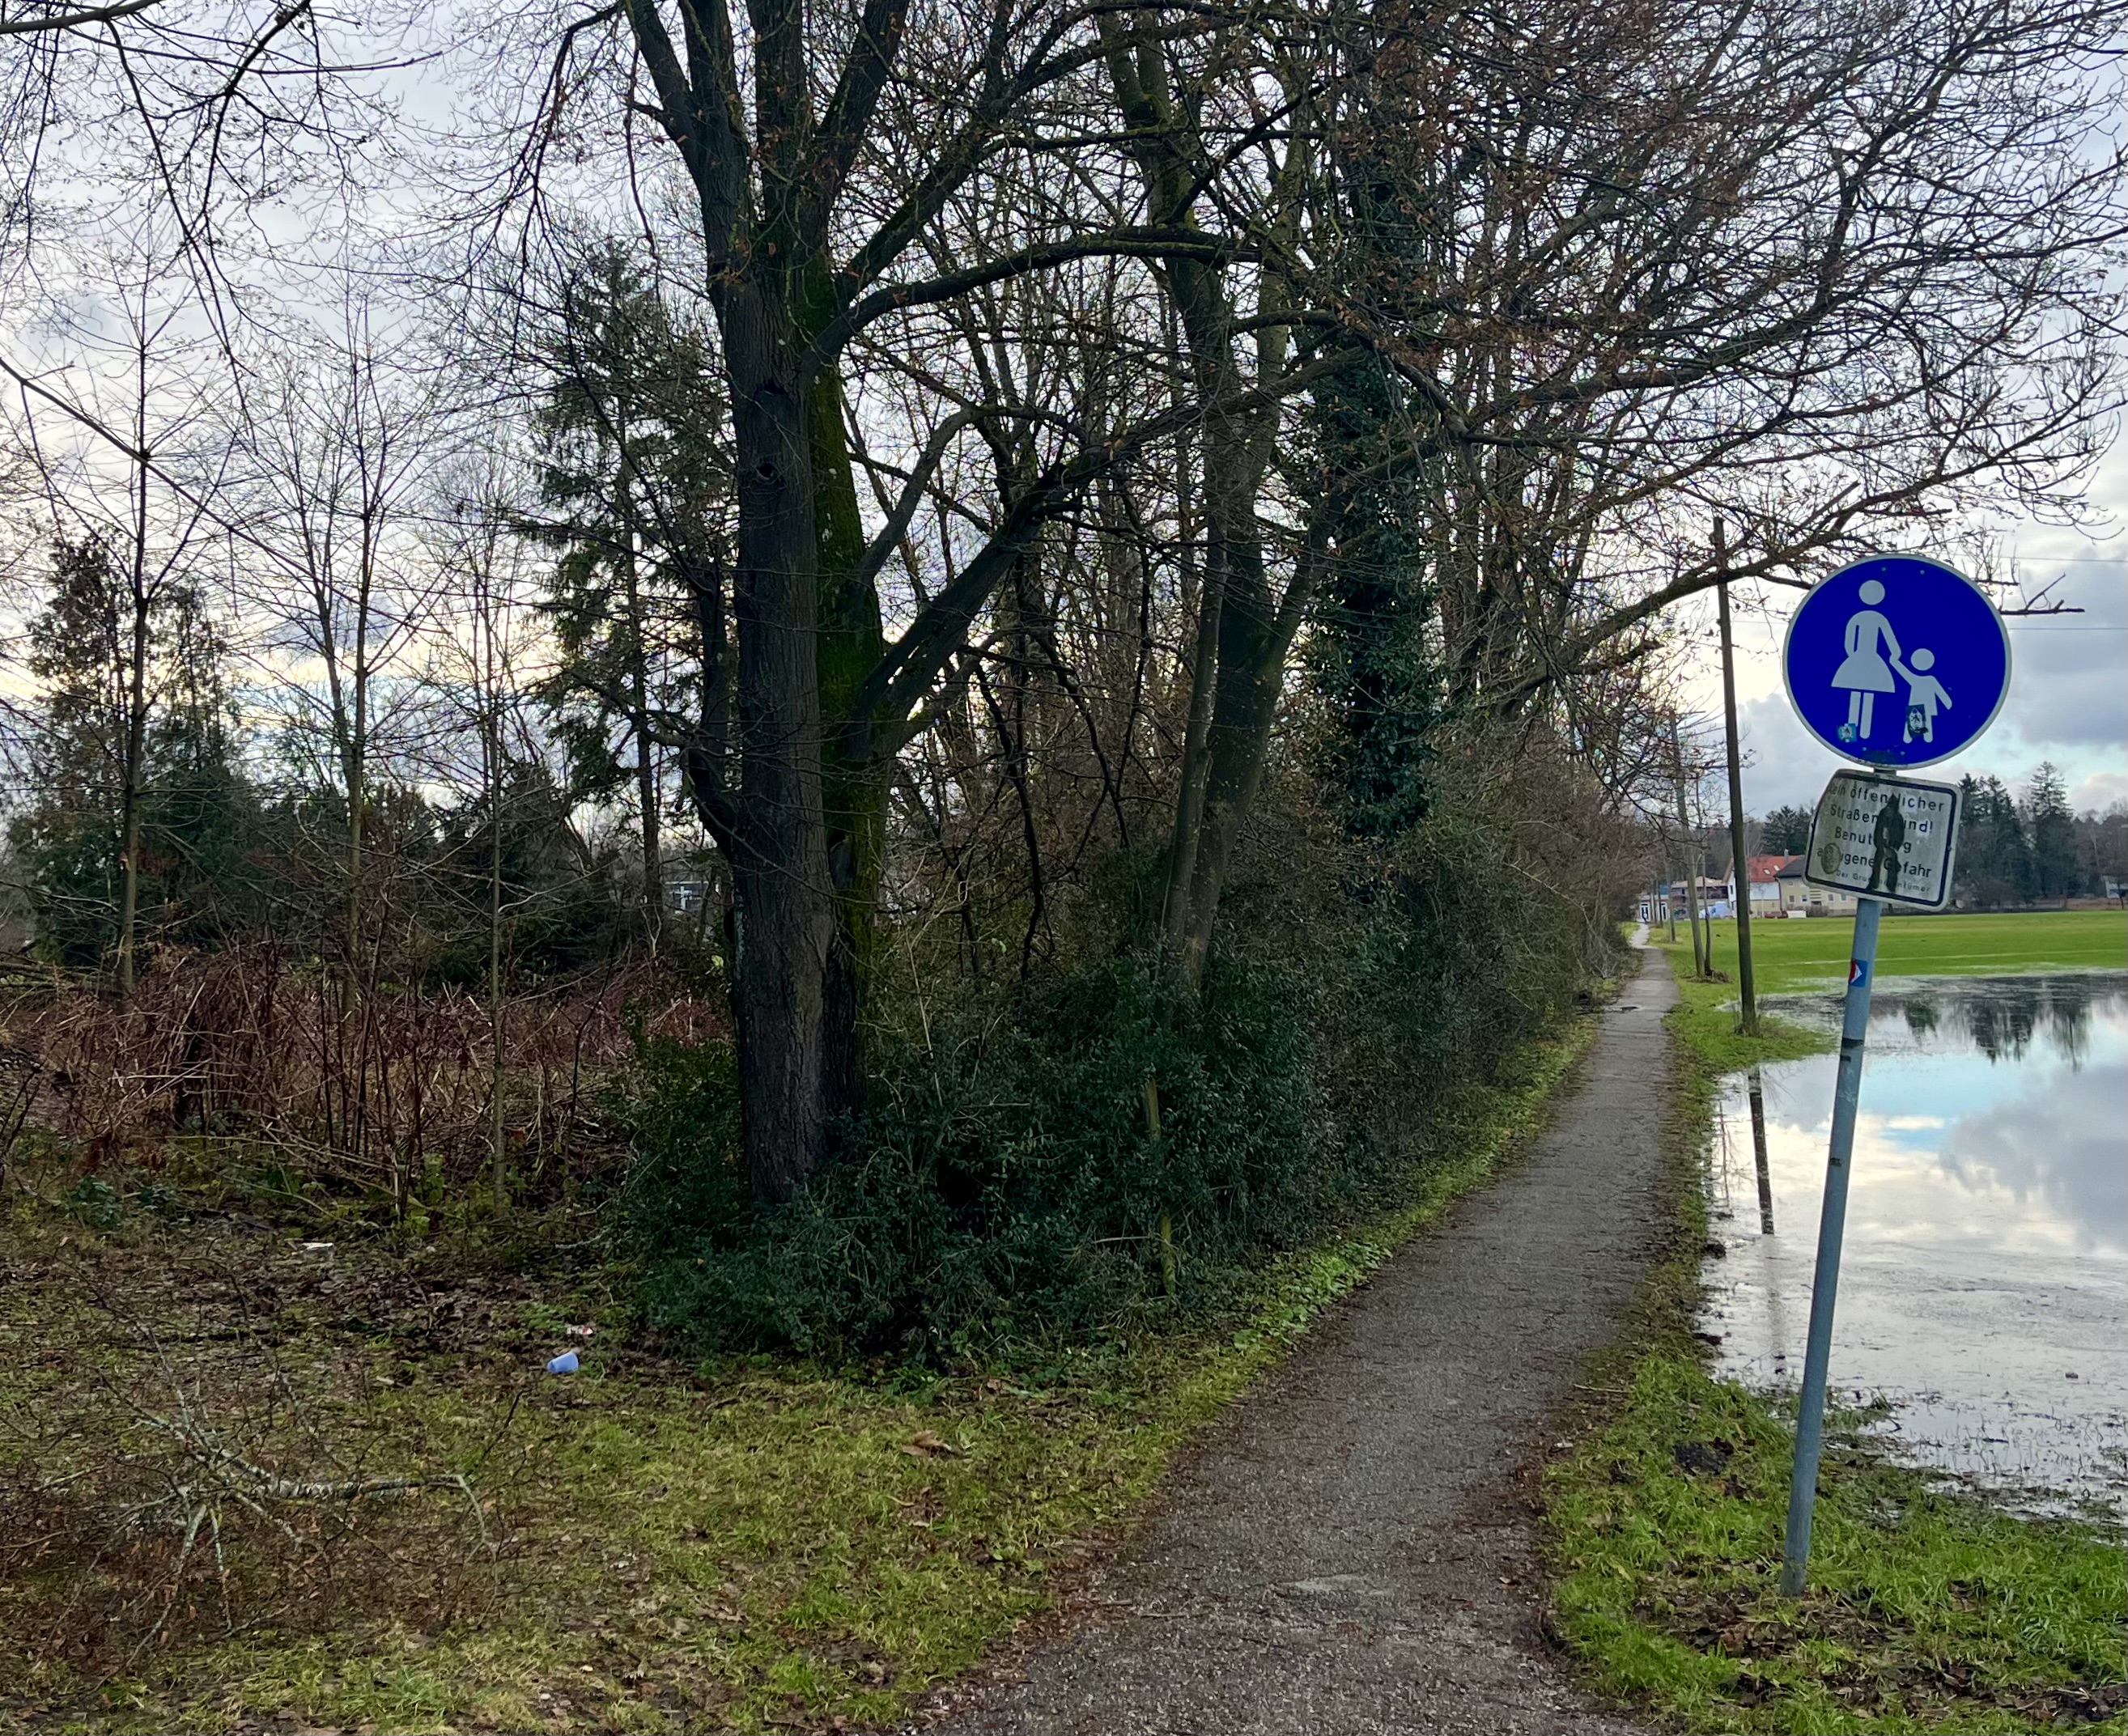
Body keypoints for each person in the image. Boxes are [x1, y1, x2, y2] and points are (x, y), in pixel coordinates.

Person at [1832, 579, 1901, 742]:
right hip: (1869, 659)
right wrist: (1895, 654)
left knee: (1859, 695)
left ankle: (1855, 736)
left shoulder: (1859, 618)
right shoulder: (1877, 618)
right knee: (1866, 694)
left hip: (1860, 658)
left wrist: (1852, 656)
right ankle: (1862, 734)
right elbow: (1891, 640)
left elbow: (1849, 642)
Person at [1892, 647, 1952, 745]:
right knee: (1919, 722)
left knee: (1920, 721)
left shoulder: (1920, 679)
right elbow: (1941, 693)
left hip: (1920, 705)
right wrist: (1947, 703)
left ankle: (1920, 741)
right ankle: (1914, 741)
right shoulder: (1924, 679)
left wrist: (1895, 662)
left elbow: (1940, 692)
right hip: (1920, 705)